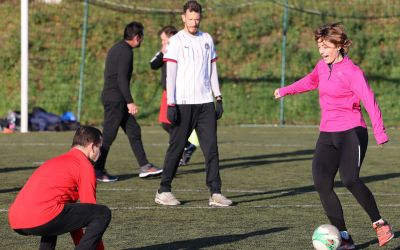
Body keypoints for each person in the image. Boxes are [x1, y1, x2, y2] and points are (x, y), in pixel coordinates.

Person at [274, 23, 394, 248]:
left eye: (326, 45)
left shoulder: (352, 72)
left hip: (352, 132)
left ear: (339, 45)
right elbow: (310, 82)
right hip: (327, 133)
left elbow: (369, 100)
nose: (322, 50)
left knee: (350, 179)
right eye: (319, 46)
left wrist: (380, 131)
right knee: (321, 182)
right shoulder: (322, 67)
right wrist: (285, 90)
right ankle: (345, 238)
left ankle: (380, 224)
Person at [155, 0, 232, 207]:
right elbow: (170, 75)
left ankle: (215, 193)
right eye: (190, 19)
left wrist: (218, 97)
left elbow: (212, 70)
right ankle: (163, 190)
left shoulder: (207, 39)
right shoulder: (176, 41)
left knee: (211, 149)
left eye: (197, 19)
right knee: (177, 147)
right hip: (182, 103)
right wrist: (171, 103)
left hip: (206, 103)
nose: (193, 23)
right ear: (183, 17)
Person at [8, 126, 111, 250]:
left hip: (16, 219)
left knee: (55, 213)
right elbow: (90, 212)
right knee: (102, 213)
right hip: (41, 216)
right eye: (100, 148)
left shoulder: (54, 161)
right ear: (93, 146)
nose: (100, 153)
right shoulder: (84, 165)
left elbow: (75, 219)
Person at [96, 21, 163, 182]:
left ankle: (145, 166)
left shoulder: (116, 47)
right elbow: (121, 79)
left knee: (134, 130)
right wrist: (130, 102)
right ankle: (96, 170)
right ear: (137, 37)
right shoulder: (126, 52)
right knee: (108, 136)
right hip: (116, 99)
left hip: (114, 97)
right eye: (142, 37)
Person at [150, 25, 198, 167]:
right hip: (167, 92)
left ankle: (181, 148)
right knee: (167, 123)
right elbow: (153, 64)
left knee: (170, 122)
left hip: (178, 92)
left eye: (164, 40)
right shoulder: (165, 51)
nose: (163, 43)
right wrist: (161, 52)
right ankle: (186, 145)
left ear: (172, 38)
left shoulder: (181, 50)